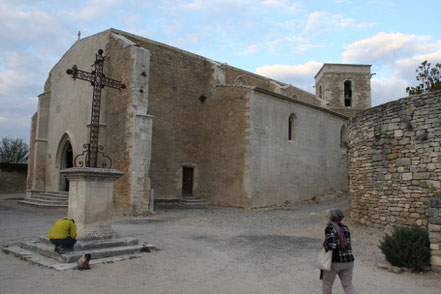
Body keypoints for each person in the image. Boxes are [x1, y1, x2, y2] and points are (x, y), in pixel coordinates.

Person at [322, 208, 356, 294]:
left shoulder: (330, 228)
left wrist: (324, 244)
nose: (326, 217)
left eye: (327, 216)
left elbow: (332, 245)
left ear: (330, 218)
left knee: (327, 284)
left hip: (335, 261)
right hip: (348, 260)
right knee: (348, 285)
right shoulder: (345, 228)